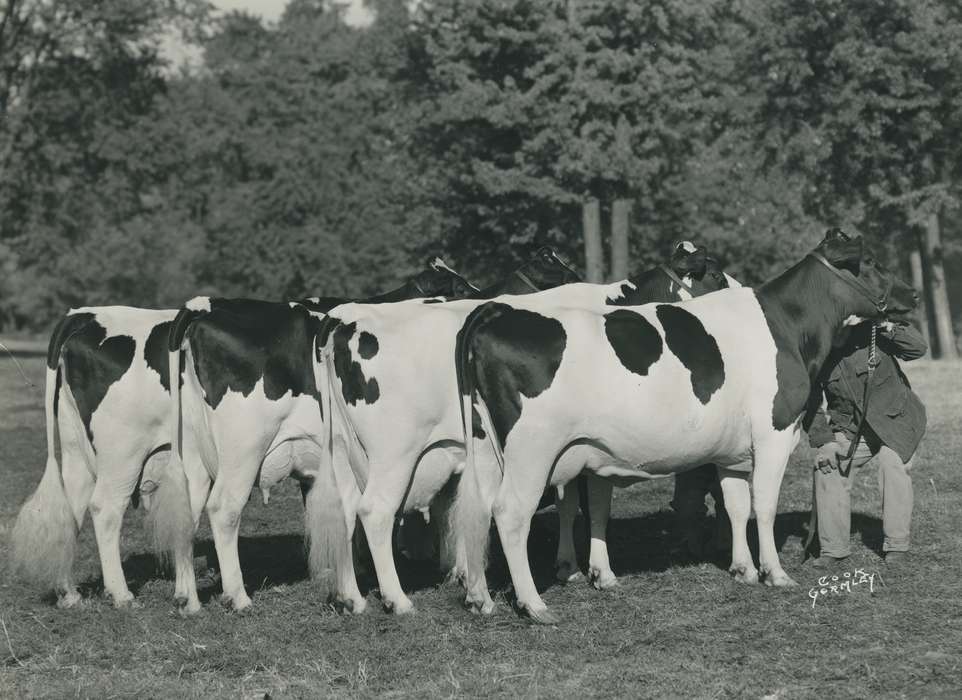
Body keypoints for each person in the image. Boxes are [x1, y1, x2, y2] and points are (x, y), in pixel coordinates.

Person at [805, 319, 927, 567]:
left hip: (897, 421)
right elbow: (810, 403)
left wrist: (887, 326)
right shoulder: (816, 350)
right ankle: (833, 548)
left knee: (891, 464)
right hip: (852, 428)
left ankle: (897, 545)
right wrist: (825, 441)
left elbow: (917, 348)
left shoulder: (874, 333)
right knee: (827, 467)